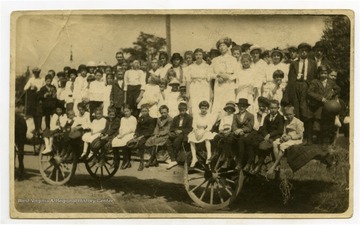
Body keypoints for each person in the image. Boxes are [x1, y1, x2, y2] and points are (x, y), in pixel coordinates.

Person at [285, 42, 317, 145]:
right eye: (301, 51)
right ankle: (299, 138)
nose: (303, 52)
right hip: (296, 87)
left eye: (305, 51)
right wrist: (290, 92)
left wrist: (312, 89)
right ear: (298, 52)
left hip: (307, 87)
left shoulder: (313, 63)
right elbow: (290, 79)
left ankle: (309, 138)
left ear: (308, 52)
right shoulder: (294, 63)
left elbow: (315, 78)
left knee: (306, 112)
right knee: (297, 111)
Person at [246, 99, 284, 174]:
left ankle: (259, 164)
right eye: (271, 108)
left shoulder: (280, 118)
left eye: (275, 108)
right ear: (269, 108)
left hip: (275, 137)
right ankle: (251, 162)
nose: (273, 110)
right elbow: (264, 128)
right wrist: (266, 134)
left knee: (264, 147)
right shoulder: (267, 117)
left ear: (278, 108)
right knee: (254, 142)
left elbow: (280, 130)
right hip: (266, 136)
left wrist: (270, 135)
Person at [307, 65, 341, 145]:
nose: (324, 75)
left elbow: (338, 89)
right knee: (318, 124)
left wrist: (332, 93)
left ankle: (326, 141)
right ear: (318, 74)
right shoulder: (314, 82)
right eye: (322, 73)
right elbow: (309, 92)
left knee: (327, 124)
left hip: (328, 108)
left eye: (325, 73)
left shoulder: (331, 82)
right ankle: (317, 139)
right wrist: (321, 98)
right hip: (318, 106)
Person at [267, 105, 304, 176]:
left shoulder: (299, 122)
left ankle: (274, 166)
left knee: (282, 146)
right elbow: (284, 132)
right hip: (287, 138)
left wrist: (290, 137)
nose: (288, 116)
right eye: (286, 115)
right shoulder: (286, 122)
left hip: (296, 139)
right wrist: (283, 137)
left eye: (290, 114)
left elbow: (300, 135)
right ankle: (278, 164)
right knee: (275, 143)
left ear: (294, 114)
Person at [211, 38, 238, 116]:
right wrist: (217, 76)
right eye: (220, 46)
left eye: (224, 45)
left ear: (228, 47)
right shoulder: (215, 60)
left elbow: (236, 74)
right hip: (219, 84)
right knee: (218, 104)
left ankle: (228, 123)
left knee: (229, 102)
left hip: (229, 84)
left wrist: (228, 77)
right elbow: (209, 74)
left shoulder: (233, 59)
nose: (222, 47)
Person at [125, 105, 156, 171]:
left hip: (146, 135)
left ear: (148, 111)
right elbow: (137, 128)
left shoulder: (151, 119)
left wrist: (141, 136)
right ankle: (128, 161)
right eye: (142, 111)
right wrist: (136, 134)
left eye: (145, 111)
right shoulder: (140, 119)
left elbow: (150, 130)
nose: (144, 112)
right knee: (128, 143)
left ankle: (141, 162)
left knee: (140, 144)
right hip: (139, 135)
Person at [188, 101, 217, 167]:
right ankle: (194, 158)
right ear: (200, 108)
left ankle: (209, 156)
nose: (204, 110)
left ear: (207, 108)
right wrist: (196, 132)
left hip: (205, 130)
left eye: (205, 108)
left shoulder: (209, 115)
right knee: (191, 138)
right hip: (197, 130)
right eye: (202, 108)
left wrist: (202, 133)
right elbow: (194, 124)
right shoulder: (197, 115)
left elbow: (209, 126)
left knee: (207, 138)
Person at [166, 102, 193, 170]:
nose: (182, 112)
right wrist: (175, 131)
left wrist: (181, 131)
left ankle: (173, 158)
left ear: (186, 110)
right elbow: (172, 127)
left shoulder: (189, 118)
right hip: (176, 132)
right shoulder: (176, 118)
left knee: (177, 141)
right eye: (180, 110)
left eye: (183, 110)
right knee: (168, 141)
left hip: (184, 134)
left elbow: (190, 128)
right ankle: (173, 159)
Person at [185, 48, 212, 116]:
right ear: (194, 56)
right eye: (196, 55)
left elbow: (209, 81)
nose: (198, 56)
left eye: (200, 54)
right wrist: (187, 92)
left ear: (202, 56)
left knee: (204, 103)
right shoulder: (190, 67)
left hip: (204, 86)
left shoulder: (207, 66)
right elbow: (188, 80)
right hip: (194, 86)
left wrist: (211, 92)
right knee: (194, 104)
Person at [231, 98, 254, 170]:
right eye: (240, 106)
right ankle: (232, 158)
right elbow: (233, 125)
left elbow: (249, 127)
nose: (241, 107)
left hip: (245, 134)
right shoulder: (235, 115)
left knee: (241, 141)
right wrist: (236, 130)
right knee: (227, 139)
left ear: (246, 107)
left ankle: (240, 162)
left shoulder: (250, 115)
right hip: (236, 133)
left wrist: (241, 130)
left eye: (243, 106)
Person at [112, 105, 137, 169]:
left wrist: (123, 135)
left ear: (131, 111)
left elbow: (132, 129)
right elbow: (121, 127)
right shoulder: (122, 119)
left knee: (125, 142)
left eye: (127, 111)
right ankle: (116, 160)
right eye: (125, 111)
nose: (126, 113)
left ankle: (125, 161)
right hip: (122, 134)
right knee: (114, 141)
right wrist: (120, 134)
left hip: (130, 134)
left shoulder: (133, 118)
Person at [23, 67, 45, 135]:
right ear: (33, 73)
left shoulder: (42, 79)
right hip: (33, 97)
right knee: (34, 112)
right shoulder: (31, 79)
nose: (36, 74)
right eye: (35, 72)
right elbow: (25, 88)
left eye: (37, 72)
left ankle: (39, 128)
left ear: (39, 73)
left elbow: (43, 88)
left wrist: (37, 88)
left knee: (39, 112)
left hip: (40, 96)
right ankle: (36, 128)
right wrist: (31, 86)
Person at [15, 101, 27, 180]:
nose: (23, 108)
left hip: (19, 137)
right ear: (19, 107)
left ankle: (20, 172)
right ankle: (20, 172)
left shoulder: (19, 117)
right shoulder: (19, 117)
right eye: (22, 106)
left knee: (19, 155)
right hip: (19, 137)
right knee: (20, 155)